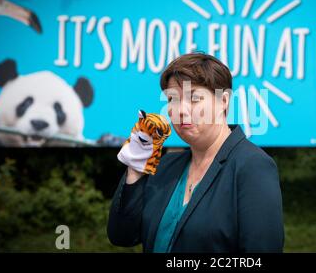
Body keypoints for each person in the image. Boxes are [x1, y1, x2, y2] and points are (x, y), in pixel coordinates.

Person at [107, 52, 284, 252]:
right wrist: (136, 169)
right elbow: (122, 235)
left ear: (223, 101)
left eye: (194, 98)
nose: (180, 110)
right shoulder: (165, 166)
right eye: (172, 99)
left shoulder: (252, 167)